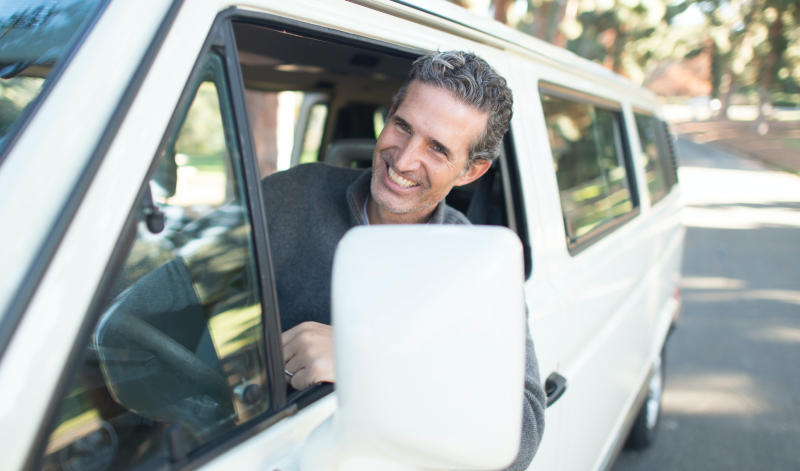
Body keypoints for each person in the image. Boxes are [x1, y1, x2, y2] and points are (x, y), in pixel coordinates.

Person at [260, 51, 546, 469]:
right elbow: (175, 296)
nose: (404, 159)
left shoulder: (477, 266)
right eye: (402, 126)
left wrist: (368, 363)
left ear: (471, 171)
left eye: (438, 149)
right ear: (391, 113)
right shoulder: (291, 193)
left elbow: (524, 430)